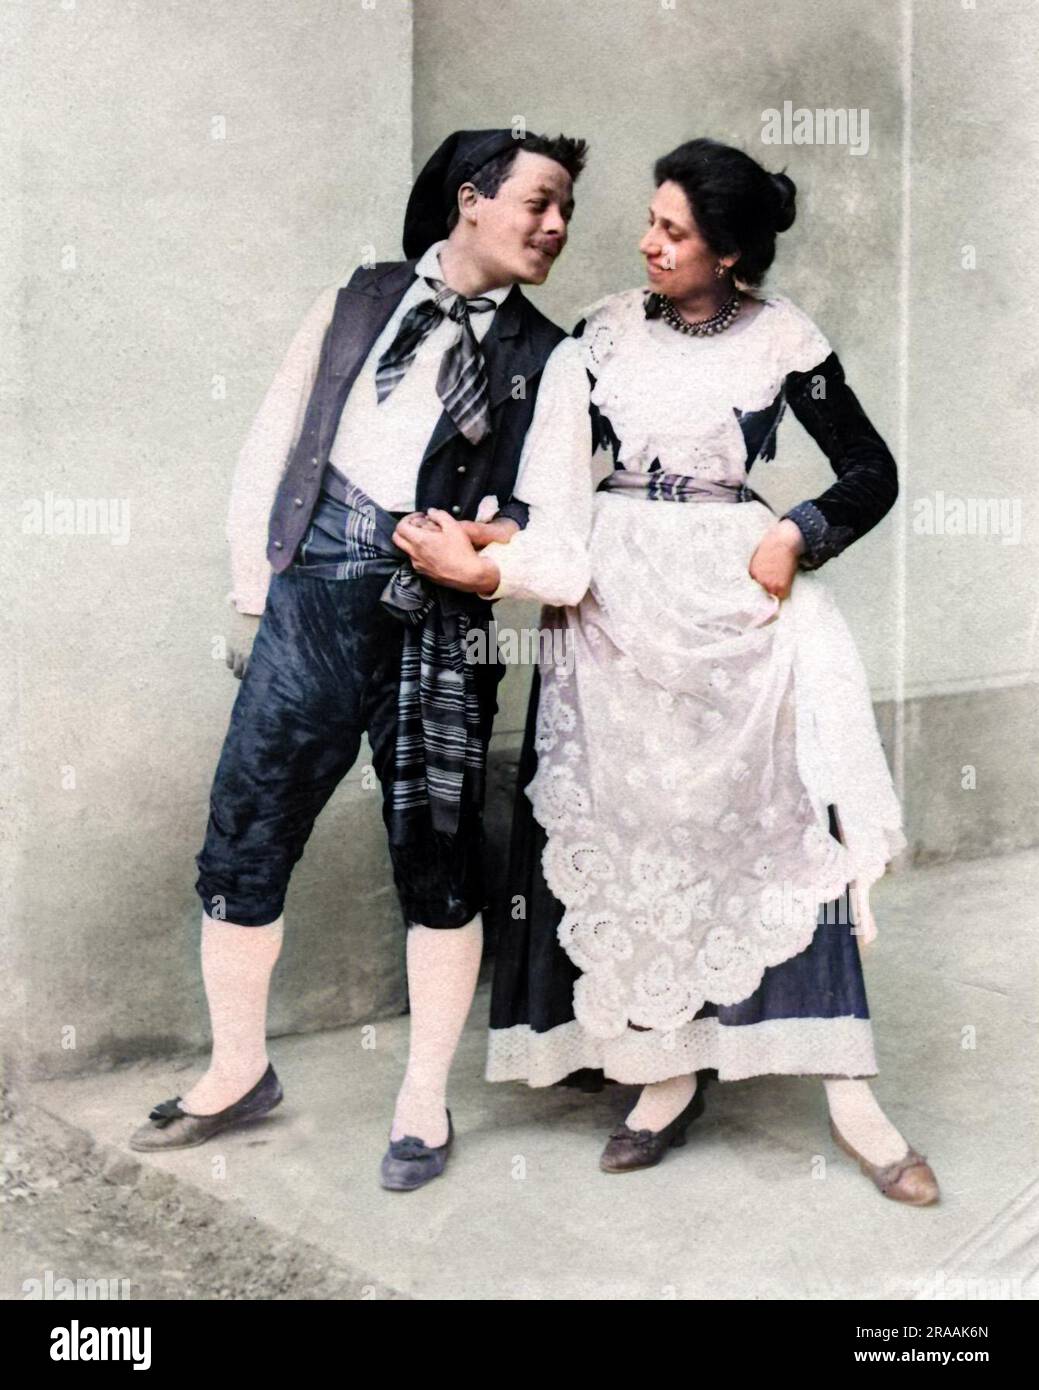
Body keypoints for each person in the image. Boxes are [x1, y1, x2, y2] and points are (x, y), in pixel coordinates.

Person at [129, 128, 591, 1192]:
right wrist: (259, 589)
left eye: (566, 207)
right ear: (470, 200)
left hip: (441, 626)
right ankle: (238, 1070)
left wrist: (481, 573)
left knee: (438, 864)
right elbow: (273, 443)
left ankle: (421, 1098)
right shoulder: (355, 303)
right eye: (538, 202)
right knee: (245, 836)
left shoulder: (549, 361)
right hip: (310, 609)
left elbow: (565, 550)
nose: (557, 225)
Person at [486, 137, 940, 1205]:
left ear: (728, 254)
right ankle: (661, 1075)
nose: (648, 241)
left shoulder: (786, 341)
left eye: (674, 231)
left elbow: (870, 471)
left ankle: (850, 1094)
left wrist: (800, 532)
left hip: (732, 604)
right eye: (650, 221)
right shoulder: (600, 334)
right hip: (610, 610)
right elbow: (543, 476)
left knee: (778, 832)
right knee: (637, 831)